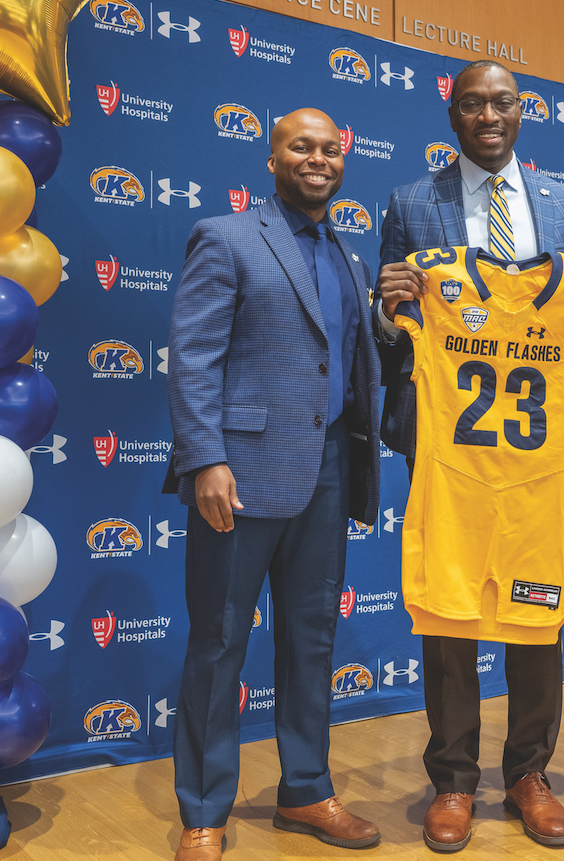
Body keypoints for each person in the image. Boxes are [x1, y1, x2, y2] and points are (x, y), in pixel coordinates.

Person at [376, 60, 564, 851]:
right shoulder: (410, 202)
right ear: (452, 115)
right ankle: (452, 777)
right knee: (449, 613)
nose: (488, 116)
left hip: (537, 453)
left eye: (502, 103)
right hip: (449, 444)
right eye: (473, 105)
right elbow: (389, 332)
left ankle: (529, 772)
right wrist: (392, 312)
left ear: (523, 112)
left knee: (536, 614)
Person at [164, 108, 382, 861]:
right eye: (301, 146)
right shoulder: (225, 238)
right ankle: (203, 810)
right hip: (241, 474)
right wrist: (204, 459)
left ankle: (305, 790)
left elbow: (344, 360)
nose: (317, 158)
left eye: (329, 147)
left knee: (312, 639)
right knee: (220, 641)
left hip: (326, 471)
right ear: (272, 158)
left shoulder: (349, 258)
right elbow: (192, 357)